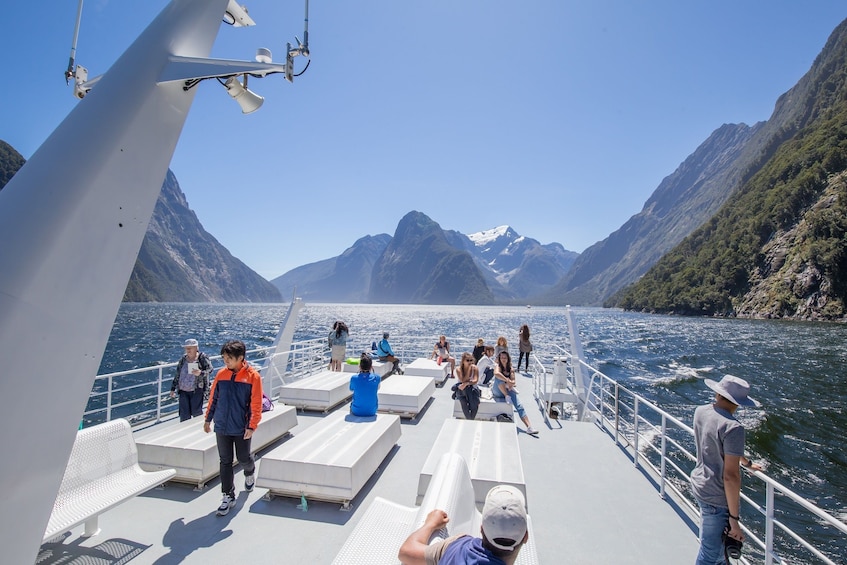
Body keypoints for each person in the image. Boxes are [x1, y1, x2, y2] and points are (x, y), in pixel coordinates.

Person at [690, 375, 763, 565]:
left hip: (700, 483)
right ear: (739, 403)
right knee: (711, 555)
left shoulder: (701, 412)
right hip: (717, 497)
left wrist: (746, 463)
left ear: (718, 392)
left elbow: (721, 446)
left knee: (720, 554)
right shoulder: (734, 427)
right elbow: (730, 476)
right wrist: (734, 520)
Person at [398, 484, 529, 565]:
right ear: (525, 537)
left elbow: (406, 552)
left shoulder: (457, 547)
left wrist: (430, 524)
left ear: (482, 529)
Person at [204, 340, 263, 517]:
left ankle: (249, 471)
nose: (226, 362)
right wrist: (208, 419)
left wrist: (252, 425)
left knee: (243, 457)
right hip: (221, 426)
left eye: (229, 358)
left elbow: (256, 404)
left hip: (241, 426)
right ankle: (228, 495)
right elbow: (214, 397)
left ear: (240, 358)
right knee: (225, 461)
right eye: (224, 358)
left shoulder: (253, 377)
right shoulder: (221, 375)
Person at [493, 351, 538, 435]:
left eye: (505, 358)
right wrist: (507, 380)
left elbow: (514, 382)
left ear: (508, 359)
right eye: (502, 357)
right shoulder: (497, 366)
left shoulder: (510, 368)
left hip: (508, 388)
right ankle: (506, 396)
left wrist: (510, 383)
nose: (503, 359)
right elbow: (496, 373)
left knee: (519, 406)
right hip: (498, 391)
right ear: (499, 358)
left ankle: (529, 427)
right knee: (499, 379)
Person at [170, 338, 213, 421]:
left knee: (196, 412)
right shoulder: (183, 359)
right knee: (184, 415)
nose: (188, 350)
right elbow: (178, 374)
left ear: (196, 348)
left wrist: (200, 373)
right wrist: (173, 388)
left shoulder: (202, 358)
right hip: (183, 390)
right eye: (186, 348)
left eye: (190, 348)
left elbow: (210, 369)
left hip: (196, 390)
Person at [453, 352, 481, 420]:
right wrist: (468, 369)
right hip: (462, 389)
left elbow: (475, 380)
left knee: (475, 403)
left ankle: (470, 420)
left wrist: (467, 384)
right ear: (463, 361)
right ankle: (470, 420)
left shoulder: (475, 368)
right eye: (467, 360)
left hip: (471, 388)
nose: (470, 362)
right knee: (463, 402)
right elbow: (463, 380)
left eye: (471, 360)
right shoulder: (458, 369)